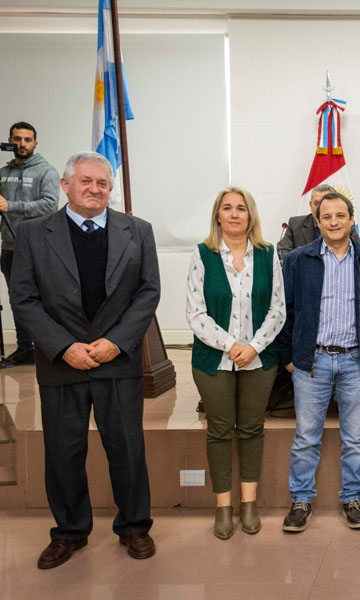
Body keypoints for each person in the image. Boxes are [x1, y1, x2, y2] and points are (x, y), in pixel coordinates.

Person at [10, 151, 159, 568]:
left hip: (117, 360)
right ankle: (70, 532)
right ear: (65, 185)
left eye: (103, 183)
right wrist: (63, 346)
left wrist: (117, 341)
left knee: (127, 449)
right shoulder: (34, 233)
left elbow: (148, 293)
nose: (95, 189)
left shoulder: (138, 230)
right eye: (86, 182)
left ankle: (134, 527)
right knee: (63, 452)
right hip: (61, 364)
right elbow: (23, 297)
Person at [278, 192, 360, 533]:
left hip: (356, 361)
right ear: (318, 221)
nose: (334, 222)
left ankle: (353, 498)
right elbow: (285, 311)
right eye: (327, 217)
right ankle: (300, 500)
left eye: (341, 215)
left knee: (356, 437)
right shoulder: (298, 259)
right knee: (306, 437)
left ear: (353, 219)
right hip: (312, 362)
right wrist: (289, 359)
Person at [187, 186, 285, 539]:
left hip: (260, 359)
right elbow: (195, 314)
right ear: (217, 216)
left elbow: (278, 309)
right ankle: (223, 507)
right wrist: (231, 346)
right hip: (214, 360)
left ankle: (249, 504)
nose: (233, 213)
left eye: (240, 208)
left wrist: (254, 347)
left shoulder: (268, 253)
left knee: (251, 429)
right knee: (219, 430)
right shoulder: (203, 254)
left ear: (250, 215)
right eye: (226, 208)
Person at [0, 121, 60, 367]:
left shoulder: (46, 171)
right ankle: (25, 348)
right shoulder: (3, 173)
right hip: (10, 247)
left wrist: (11, 206)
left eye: (26, 139)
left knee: (46, 298)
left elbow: (49, 205)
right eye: (17, 139)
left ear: (35, 143)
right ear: (10, 141)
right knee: (17, 299)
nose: (21, 144)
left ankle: (50, 346)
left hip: (39, 247)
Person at [277, 184, 335, 260]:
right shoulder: (295, 224)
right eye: (316, 203)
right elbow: (284, 251)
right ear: (310, 205)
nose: (320, 207)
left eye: (325, 203)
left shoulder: (345, 225)